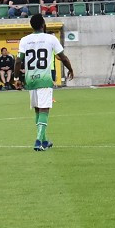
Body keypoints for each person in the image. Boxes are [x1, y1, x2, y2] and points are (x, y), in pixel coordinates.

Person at [14, 13, 73, 152]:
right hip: (45, 79)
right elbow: (63, 57)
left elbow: (18, 61)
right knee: (45, 109)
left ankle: (45, 140)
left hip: (30, 79)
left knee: (37, 109)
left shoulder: (24, 40)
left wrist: (16, 79)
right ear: (43, 24)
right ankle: (38, 141)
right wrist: (70, 69)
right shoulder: (50, 38)